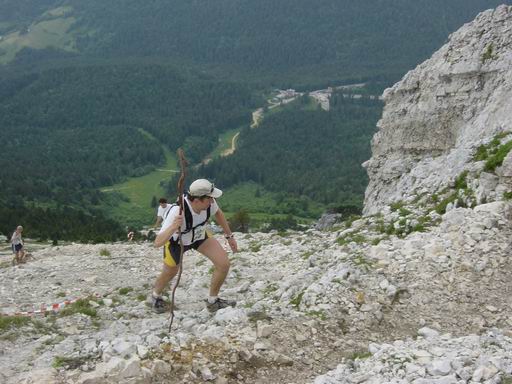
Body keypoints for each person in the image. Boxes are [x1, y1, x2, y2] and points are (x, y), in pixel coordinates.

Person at [152, 179, 238, 313]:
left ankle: (212, 301)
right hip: (177, 242)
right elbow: (157, 242)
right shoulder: (177, 212)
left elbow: (219, 214)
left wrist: (229, 236)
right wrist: (174, 226)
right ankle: (155, 296)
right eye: (209, 199)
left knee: (223, 264)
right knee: (170, 272)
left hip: (199, 236)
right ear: (197, 200)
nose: (212, 201)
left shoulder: (209, 203)